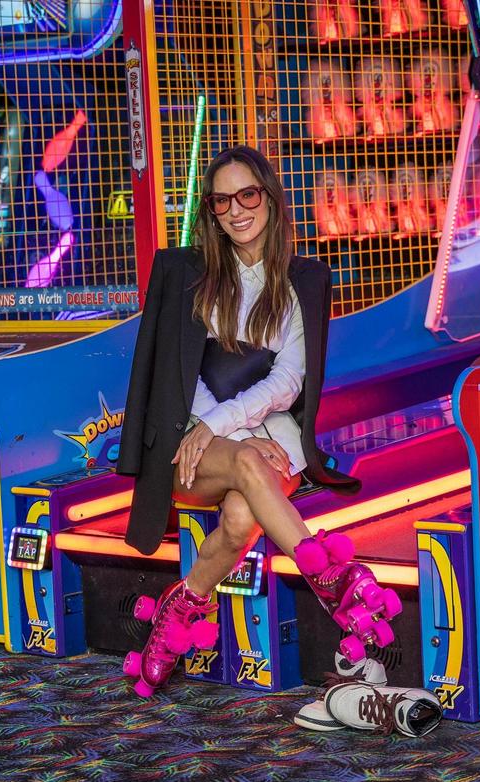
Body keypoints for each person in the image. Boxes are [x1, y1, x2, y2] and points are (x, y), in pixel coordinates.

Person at [116, 145, 402, 698]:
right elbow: (180, 378)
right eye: (222, 202)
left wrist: (235, 426)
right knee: (247, 461)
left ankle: (176, 612)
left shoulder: (300, 284)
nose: (237, 211)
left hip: (266, 440)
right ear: (212, 213)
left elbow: (288, 381)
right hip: (190, 444)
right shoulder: (187, 276)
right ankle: (335, 585)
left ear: (269, 197)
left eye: (247, 195)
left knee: (244, 513)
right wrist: (226, 430)